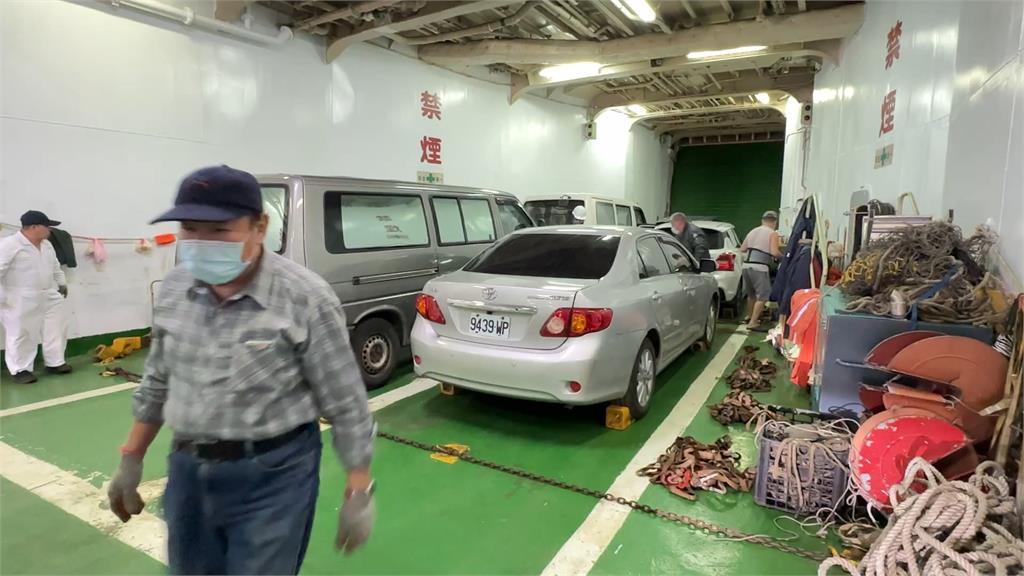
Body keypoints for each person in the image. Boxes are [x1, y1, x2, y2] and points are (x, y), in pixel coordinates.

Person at [106, 166, 376, 575]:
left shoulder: (305, 298)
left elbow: (345, 401)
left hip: (273, 476)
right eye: (191, 228)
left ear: (259, 227)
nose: (202, 243)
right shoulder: (177, 289)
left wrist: (359, 486)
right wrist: (132, 456)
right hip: (188, 471)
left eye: (219, 230)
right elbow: (159, 378)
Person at [0, 210, 71, 384]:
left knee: (56, 327)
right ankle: (20, 369)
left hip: (48, 293)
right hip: (18, 296)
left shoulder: (46, 245)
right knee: (22, 333)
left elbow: (55, 266)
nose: (50, 230)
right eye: (47, 226)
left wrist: (61, 283)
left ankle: (55, 362)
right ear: (34, 227)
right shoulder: (9, 245)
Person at [739, 210, 782, 332]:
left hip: (746, 266)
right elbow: (774, 252)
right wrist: (783, 257)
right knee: (763, 296)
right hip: (760, 267)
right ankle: (753, 322)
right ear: (774, 222)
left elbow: (742, 249)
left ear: (762, 220)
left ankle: (748, 316)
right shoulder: (772, 233)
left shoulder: (753, 231)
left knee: (751, 294)